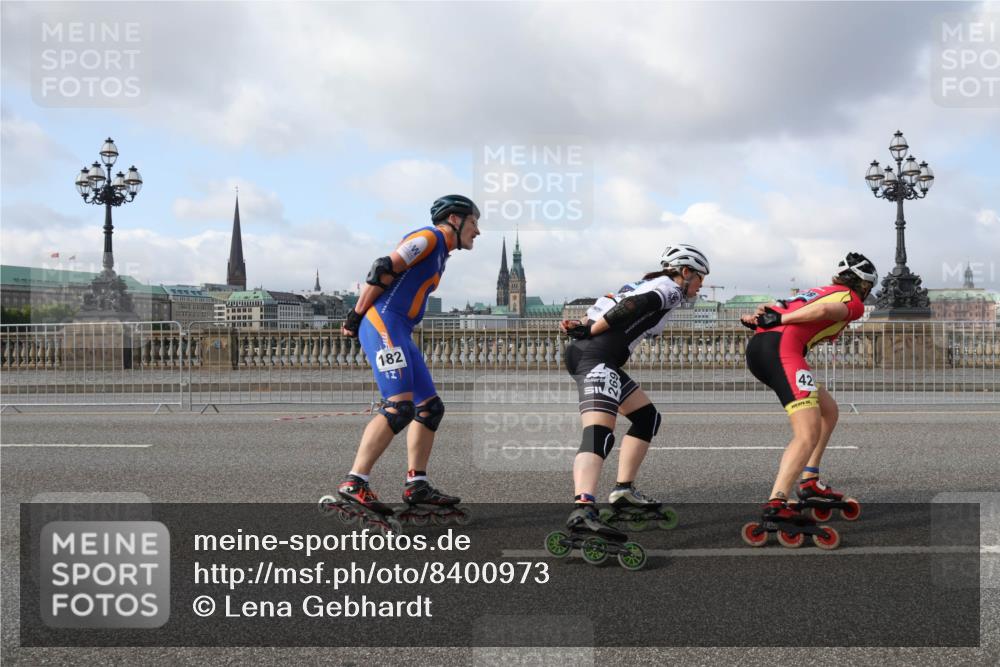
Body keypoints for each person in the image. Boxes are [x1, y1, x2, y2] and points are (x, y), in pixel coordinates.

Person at [320, 195, 481, 529]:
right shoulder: (430, 238)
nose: (477, 231)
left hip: (401, 330)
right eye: (475, 222)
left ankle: (417, 483)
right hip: (384, 323)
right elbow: (382, 268)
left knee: (430, 408)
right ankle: (355, 481)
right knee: (398, 408)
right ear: (455, 219)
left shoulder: (441, 252)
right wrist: (355, 315)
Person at [558, 244, 709, 542]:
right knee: (599, 432)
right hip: (595, 357)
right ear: (686, 272)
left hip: (598, 357)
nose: (700, 286)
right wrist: (589, 331)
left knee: (646, 418)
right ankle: (583, 508)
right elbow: (634, 306)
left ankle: (624, 490)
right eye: (700, 279)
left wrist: (585, 325)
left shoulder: (646, 283)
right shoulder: (671, 289)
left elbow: (610, 305)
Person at [740, 252, 875, 548]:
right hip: (783, 352)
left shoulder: (817, 290)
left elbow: (767, 309)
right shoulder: (851, 300)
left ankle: (810, 480)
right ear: (864, 285)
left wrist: (763, 317)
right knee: (807, 432)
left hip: (765, 347)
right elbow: (825, 312)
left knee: (829, 411)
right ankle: (777, 502)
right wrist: (783, 318)